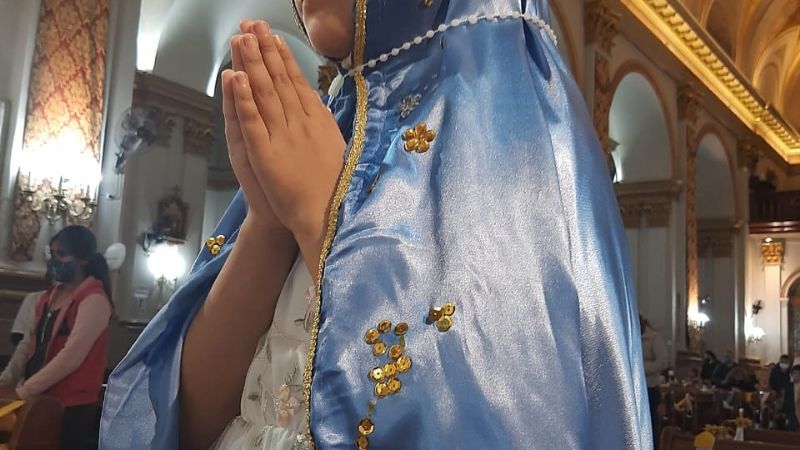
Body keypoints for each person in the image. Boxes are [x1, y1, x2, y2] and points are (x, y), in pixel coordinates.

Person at [100, 1, 651, 449]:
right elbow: (184, 424)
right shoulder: (330, 119)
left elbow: (491, 420)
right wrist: (268, 224)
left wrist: (325, 224)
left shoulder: (522, 146)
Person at [15, 226, 113, 450]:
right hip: (40, 397)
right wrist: (12, 381)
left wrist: (27, 390)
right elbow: (32, 343)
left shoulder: (94, 300)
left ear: (83, 259)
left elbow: (72, 357)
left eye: (62, 254)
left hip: (70, 405)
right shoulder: (49, 296)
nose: (54, 260)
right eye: (52, 253)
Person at [640, 315, 667, 446]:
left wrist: (641, 367)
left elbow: (663, 362)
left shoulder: (654, 338)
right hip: (636, 388)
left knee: (651, 424)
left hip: (650, 387)